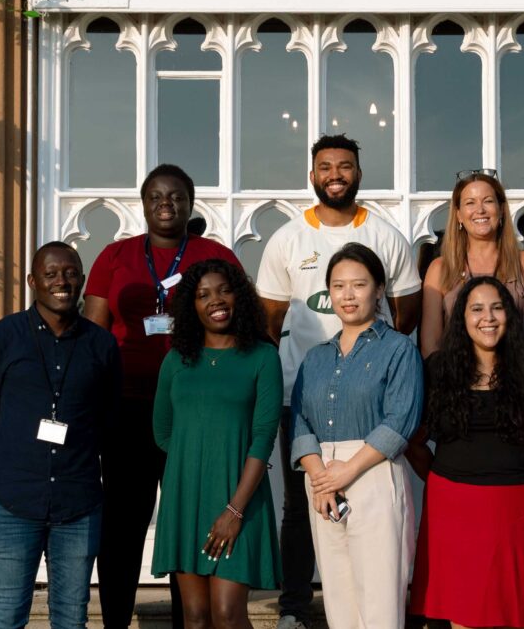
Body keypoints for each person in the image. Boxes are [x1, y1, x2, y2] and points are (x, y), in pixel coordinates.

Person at [255, 135, 422, 629]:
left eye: (344, 166)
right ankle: (293, 606)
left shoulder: (386, 235)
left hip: (370, 405)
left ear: (357, 174)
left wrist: (370, 364)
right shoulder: (287, 238)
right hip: (304, 396)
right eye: (325, 166)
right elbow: (270, 317)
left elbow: (408, 311)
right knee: (301, 508)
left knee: (377, 555)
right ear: (312, 175)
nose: (335, 174)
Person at [83, 164, 242, 629]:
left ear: (191, 203)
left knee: (185, 520)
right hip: (127, 407)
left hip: (194, 409)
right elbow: (93, 334)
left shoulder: (214, 254)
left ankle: (186, 621)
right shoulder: (115, 255)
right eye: (155, 196)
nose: (166, 203)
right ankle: (114, 619)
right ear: (144, 202)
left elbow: (239, 322)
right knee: (123, 522)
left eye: (175, 196)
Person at [0, 241, 119, 629]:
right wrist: (10, 463)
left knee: (72, 618)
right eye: (51, 274)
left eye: (70, 273)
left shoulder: (101, 345)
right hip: (15, 500)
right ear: (32, 281)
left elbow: (108, 418)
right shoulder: (1, 339)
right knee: (7, 615)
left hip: (78, 500)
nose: (61, 281)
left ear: (82, 280)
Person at [406, 277, 524, 628]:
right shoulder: (437, 370)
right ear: (461, 318)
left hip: (521, 507)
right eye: (476, 309)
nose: (488, 317)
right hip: (455, 507)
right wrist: (446, 477)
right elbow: (413, 441)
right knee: (463, 613)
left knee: (518, 612)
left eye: (496, 307)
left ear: (509, 315)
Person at [289, 243, 423, 629]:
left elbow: (400, 421)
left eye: (359, 284)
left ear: (378, 289)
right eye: (338, 286)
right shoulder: (315, 357)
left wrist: (346, 472)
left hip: (373, 473)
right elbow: (300, 421)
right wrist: (321, 477)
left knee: (379, 603)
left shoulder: (398, 350)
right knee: (338, 600)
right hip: (322, 482)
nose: (348, 295)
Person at [152, 259, 284, 629]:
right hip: (185, 502)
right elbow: (162, 433)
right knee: (194, 618)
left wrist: (235, 509)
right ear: (191, 307)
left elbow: (263, 439)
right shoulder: (176, 360)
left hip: (239, 501)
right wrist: (196, 464)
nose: (216, 300)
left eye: (224, 290)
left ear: (239, 296)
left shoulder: (263, 357)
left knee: (227, 615)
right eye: (203, 294)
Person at [419, 170, 524, 356]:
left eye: (488, 201)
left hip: (518, 378)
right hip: (455, 380)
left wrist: (521, 377)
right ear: (459, 215)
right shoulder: (439, 269)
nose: (480, 210)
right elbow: (430, 344)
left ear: (501, 209)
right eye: (470, 203)